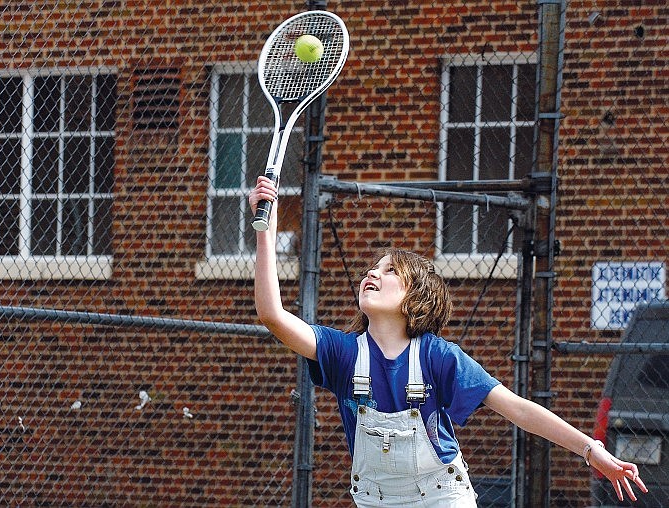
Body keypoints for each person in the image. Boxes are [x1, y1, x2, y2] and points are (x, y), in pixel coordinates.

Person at [249, 175, 648, 507]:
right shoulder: (342, 352)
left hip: (442, 498)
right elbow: (272, 315)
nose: (372, 273)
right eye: (371, 267)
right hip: (375, 500)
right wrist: (263, 231)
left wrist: (591, 450)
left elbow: (517, 408)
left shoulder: (440, 357)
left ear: (415, 297)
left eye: (389, 271)